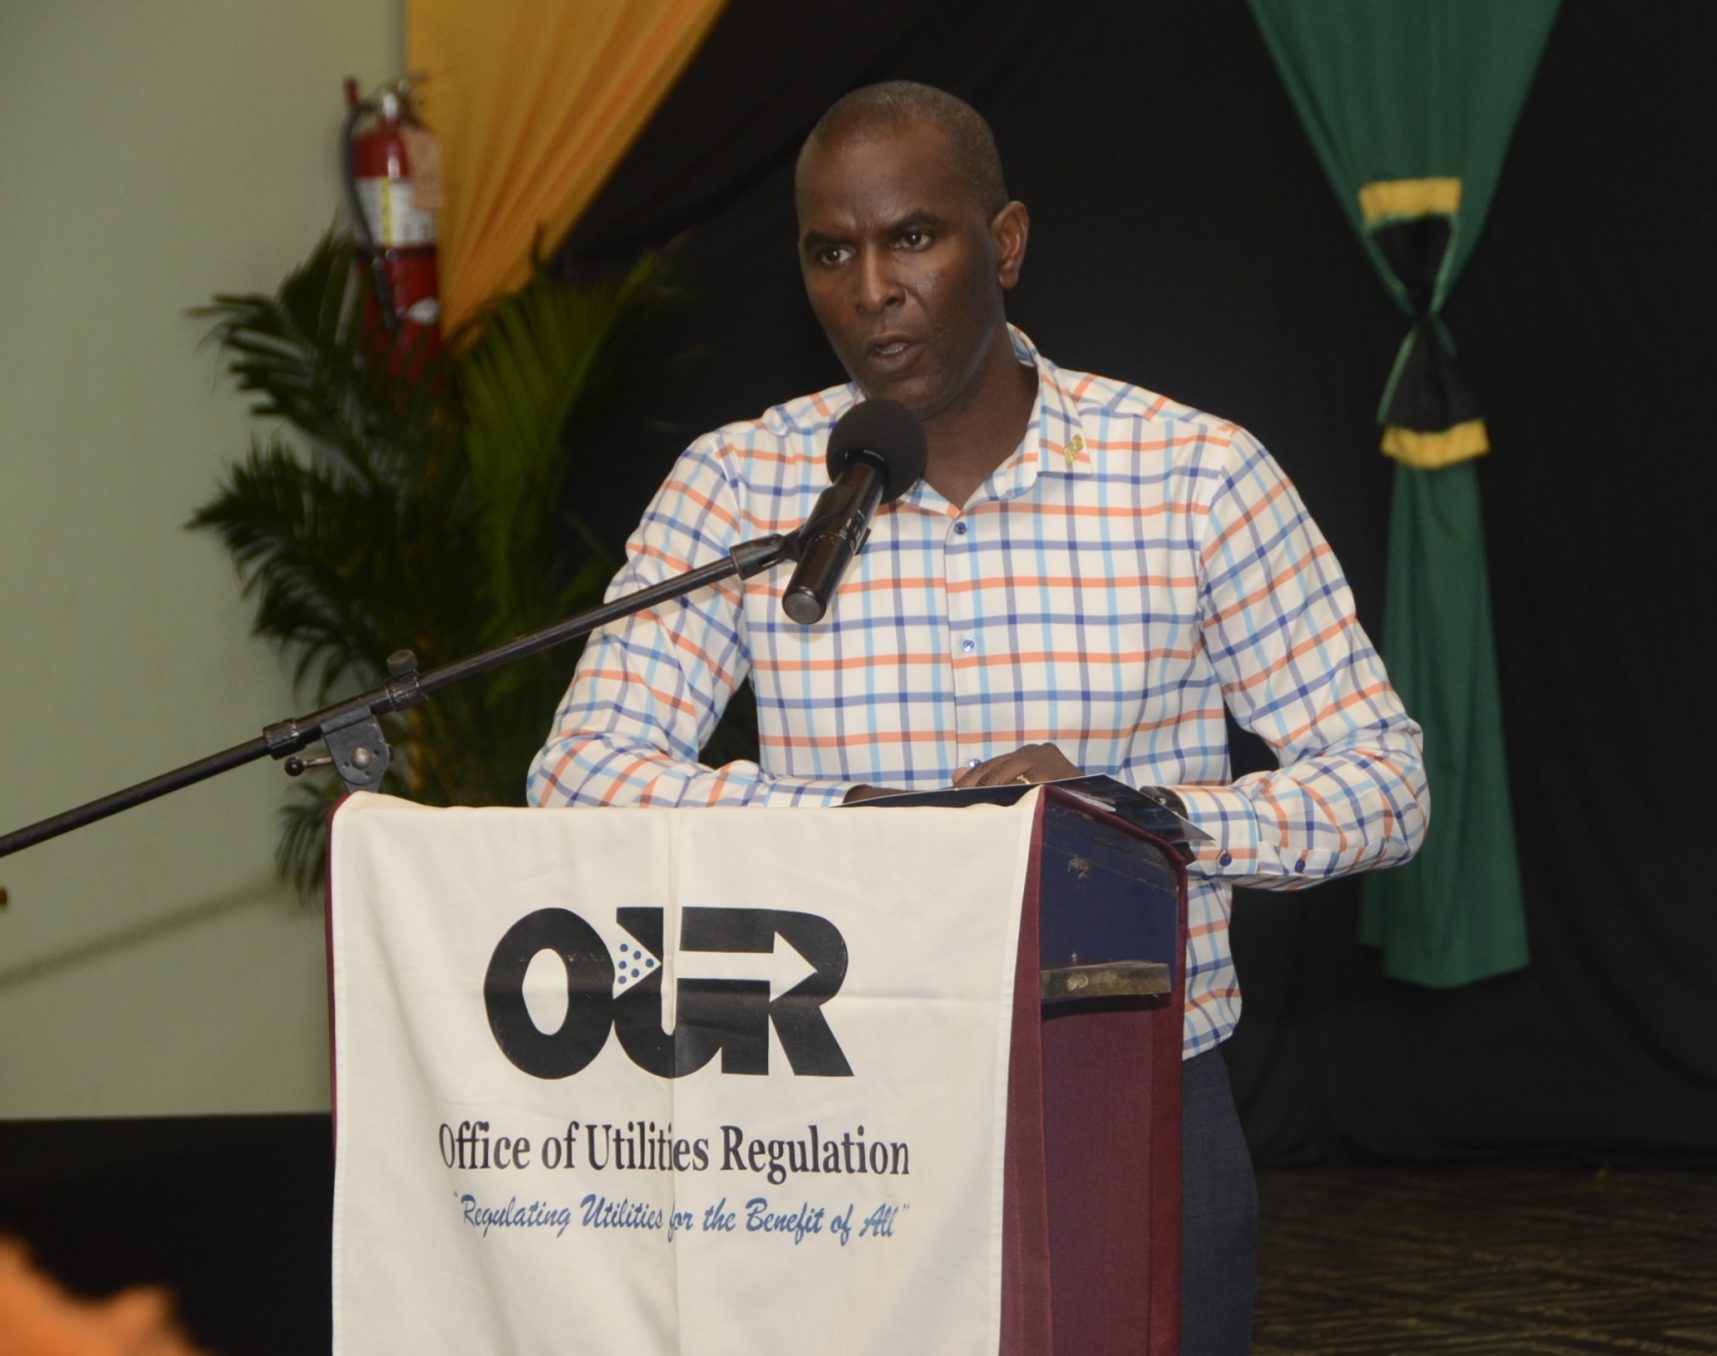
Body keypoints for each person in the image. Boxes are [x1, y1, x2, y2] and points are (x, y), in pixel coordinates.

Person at [528, 80, 1428, 1356]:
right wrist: (866, 826)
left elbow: (1383, 784)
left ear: (1001, 243)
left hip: (1120, 1103)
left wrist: (1133, 822)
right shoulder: (738, 484)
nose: (869, 288)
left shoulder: (1190, 475)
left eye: (912, 238)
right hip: (832, 1114)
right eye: (829, 252)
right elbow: (576, 777)